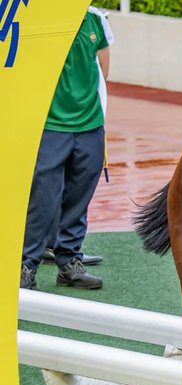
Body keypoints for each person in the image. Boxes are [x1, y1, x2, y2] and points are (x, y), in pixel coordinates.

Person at [21, 5, 109, 291]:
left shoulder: (96, 20)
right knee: (43, 200)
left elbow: (103, 72)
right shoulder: (40, 18)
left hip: (90, 125)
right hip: (50, 125)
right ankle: (26, 266)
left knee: (79, 197)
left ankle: (69, 262)